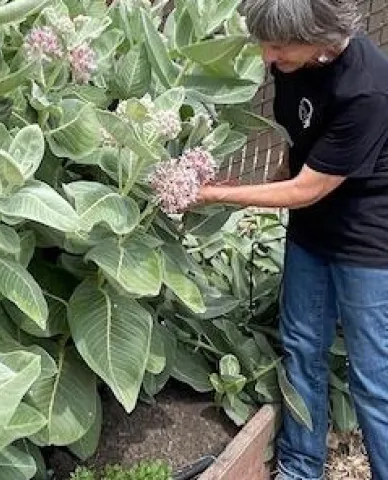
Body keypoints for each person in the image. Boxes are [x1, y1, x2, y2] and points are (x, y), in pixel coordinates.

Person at [195, 0, 388, 478]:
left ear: (320, 40)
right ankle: (301, 466)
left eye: (278, 45)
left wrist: (218, 194)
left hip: (368, 242)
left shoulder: (367, 90)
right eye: (265, 42)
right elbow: (298, 144)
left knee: (372, 376)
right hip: (311, 231)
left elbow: (310, 187)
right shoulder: (291, 60)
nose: (267, 56)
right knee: (301, 349)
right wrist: (266, 183)